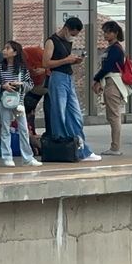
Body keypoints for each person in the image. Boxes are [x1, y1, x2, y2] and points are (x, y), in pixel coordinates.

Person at [44, 16, 102, 162]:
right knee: (60, 113)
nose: (73, 37)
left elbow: (66, 61)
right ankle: (65, 145)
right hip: (57, 78)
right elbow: (46, 63)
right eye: (73, 34)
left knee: (75, 115)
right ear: (66, 28)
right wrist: (66, 60)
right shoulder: (51, 41)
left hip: (68, 77)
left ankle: (81, 149)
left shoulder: (68, 42)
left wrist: (75, 61)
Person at [0, 41, 42, 168]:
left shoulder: (22, 69)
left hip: (19, 103)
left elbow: (30, 84)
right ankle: (7, 157)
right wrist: (4, 86)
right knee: (5, 129)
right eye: (5, 48)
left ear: (15, 52)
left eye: (7, 48)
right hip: (5, 102)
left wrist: (21, 86)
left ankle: (28, 158)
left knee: (24, 129)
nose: (4, 50)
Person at [92, 21, 128, 156]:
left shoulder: (115, 49)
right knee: (112, 115)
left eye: (108, 32)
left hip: (113, 81)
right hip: (109, 81)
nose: (106, 35)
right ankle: (114, 146)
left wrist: (96, 79)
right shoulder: (112, 48)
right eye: (105, 32)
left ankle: (115, 147)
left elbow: (107, 67)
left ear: (116, 33)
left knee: (114, 115)